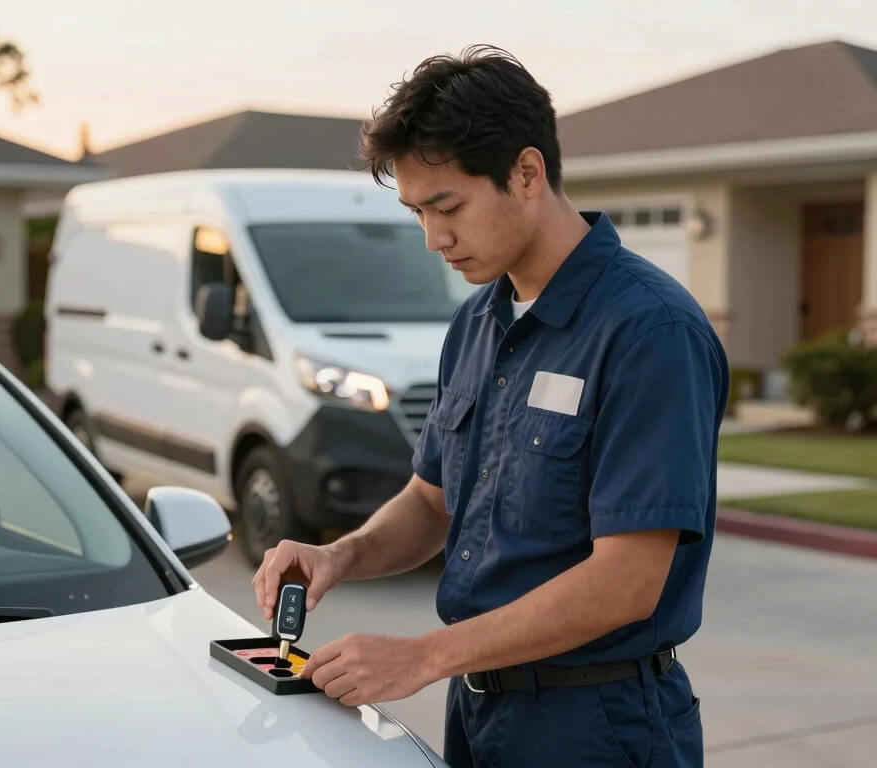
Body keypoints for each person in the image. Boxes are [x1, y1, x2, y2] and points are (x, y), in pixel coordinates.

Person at [252, 44, 728, 768]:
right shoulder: (476, 323)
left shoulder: (648, 330)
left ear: (527, 173)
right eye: (416, 212)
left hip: (599, 726)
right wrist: (338, 555)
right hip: (479, 714)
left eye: (448, 207)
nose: (433, 238)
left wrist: (421, 657)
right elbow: (430, 501)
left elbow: (629, 582)